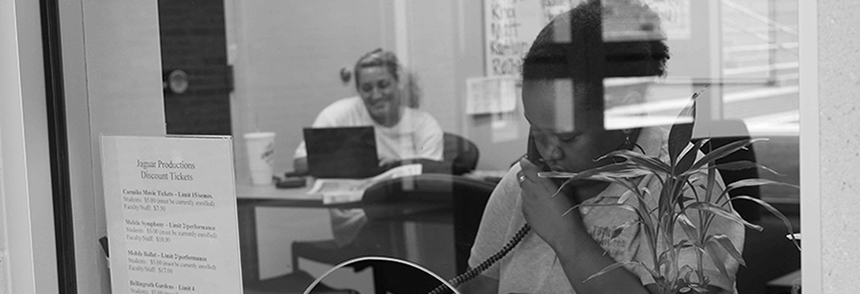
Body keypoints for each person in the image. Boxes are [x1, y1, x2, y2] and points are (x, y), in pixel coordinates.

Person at [460, 1, 744, 294]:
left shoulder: (680, 185)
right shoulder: (524, 187)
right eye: (536, 130)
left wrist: (566, 236)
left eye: (567, 137)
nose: (548, 152)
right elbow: (477, 287)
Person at [292, 49, 444, 245]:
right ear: (359, 91)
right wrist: (353, 158)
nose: (376, 95)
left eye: (383, 85)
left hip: (408, 219)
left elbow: (432, 181)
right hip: (355, 223)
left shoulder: (423, 125)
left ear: (399, 84)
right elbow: (300, 164)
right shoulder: (338, 115)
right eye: (366, 88)